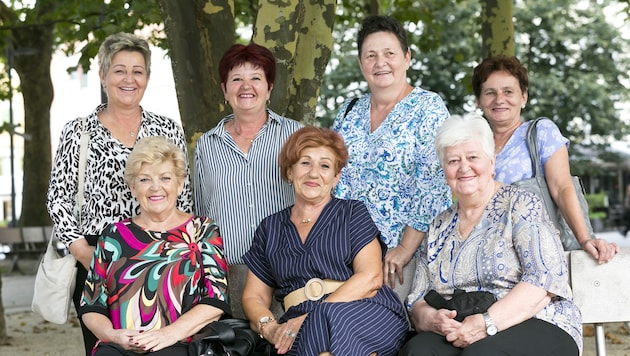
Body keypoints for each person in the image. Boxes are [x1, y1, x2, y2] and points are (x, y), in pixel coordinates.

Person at [46, 32, 192, 355]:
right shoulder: (78, 131)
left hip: (161, 258)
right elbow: (58, 199)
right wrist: (85, 252)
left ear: (148, 78)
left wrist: (177, 256)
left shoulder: (168, 129)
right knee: (107, 349)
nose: (129, 79)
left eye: (137, 71)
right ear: (102, 75)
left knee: (163, 347)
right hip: (98, 259)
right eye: (119, 70)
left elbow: (183, 196)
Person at [400, 115, 582, 355]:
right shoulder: (439, 225)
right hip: (462, 325)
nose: (464, 167)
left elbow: (543, 282)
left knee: (482, 354)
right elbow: (418, 298)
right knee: (418, 351)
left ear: (492, 161)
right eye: (453, 160)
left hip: (536, 319)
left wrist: (486, 322)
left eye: (473, 157)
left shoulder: (521, 205)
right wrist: (433, 319)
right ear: (444, 170)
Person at [241, 127, 408, 356]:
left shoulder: (352, 213)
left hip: (364, 312)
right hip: (297, 324)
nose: (313, 173)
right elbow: (254, 296)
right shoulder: (269, 229)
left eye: (325, 166)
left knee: (321, 321)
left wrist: (315, 314)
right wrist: (269, 328)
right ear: (289, 171)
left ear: (336, 177)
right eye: (305, 163)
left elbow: (370, 277)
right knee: (312, 337)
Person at [332, 15, 452, 301]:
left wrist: (405, 249)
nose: (380, 62)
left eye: (389, 53)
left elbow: (433, 186)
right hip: (347, 254)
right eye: (370, 55)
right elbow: (332, 177)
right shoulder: (348, 111)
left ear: (407, 58)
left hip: (403, 256)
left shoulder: (428, 108)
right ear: (361, 64)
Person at [79, 136, 230, 356]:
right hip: (121, 345)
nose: (155, 187)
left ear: (179, 185)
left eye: (165, 178)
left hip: (180, 343)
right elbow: (91, 306)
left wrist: (168, 334)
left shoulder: (202, 230)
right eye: (145, 180)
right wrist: (114, 336)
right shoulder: (113, 236)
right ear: (132, 187)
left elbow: (216, 301)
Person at [472, 55, 618, 264]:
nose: (499, 99)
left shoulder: (541, 132)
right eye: (490, 93)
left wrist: (585, 238)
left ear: (524, 97)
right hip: (493, 257)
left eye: (508, 91)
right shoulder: (475, 143)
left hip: (541, 254)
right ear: (479, 101)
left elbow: (562, 187)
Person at [194, 42, 303, 266]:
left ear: (269, 88)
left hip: (287, 268)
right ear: (224, 90)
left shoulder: (296, 135)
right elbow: (201, 211)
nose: (246, 86)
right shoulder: (207, 144)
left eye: (255, 78)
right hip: (224, 271)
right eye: (236, 79)